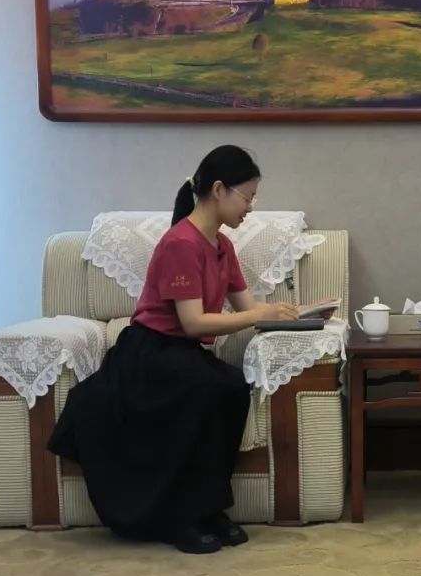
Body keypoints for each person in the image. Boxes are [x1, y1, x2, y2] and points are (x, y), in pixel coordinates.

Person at [49, 145, 299, 554]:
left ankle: (209, 508)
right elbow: (194, 322)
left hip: (180, 353)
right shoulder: (181, 243)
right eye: (247, 197)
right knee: (204, 389)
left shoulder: (222, 246)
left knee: (233, 387)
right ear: (218, 190)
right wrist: (259, 314)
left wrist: (298, 314)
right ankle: (179, 516)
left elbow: (248, 308)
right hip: (148, 353)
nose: (251, 207)